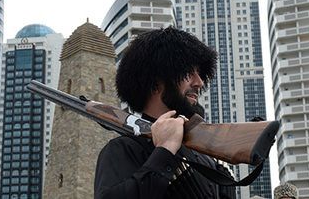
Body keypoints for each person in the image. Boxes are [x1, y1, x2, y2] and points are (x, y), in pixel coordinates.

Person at [94, 27, 235, 199]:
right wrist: (165, 151)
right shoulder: (123, 149)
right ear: (155, 81)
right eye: (188, 72)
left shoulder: (205, 159)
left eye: (199, 73)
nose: (198, 82)